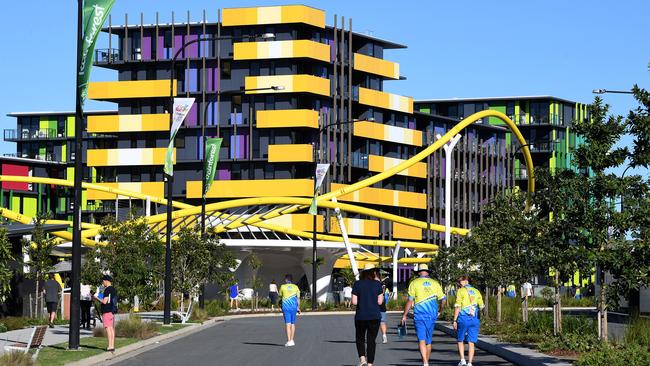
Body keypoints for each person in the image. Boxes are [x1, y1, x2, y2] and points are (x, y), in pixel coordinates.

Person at [401, 264, 446, 366]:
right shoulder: (435, 283)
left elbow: (410, 301)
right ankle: (426, 362)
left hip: (419, 315)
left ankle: (425, 363)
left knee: (421, 340)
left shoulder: (414, 283)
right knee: (428, 341)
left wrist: (404, 314)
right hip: (432, 316)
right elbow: (443, 299)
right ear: (427, 272)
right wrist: (441, 310)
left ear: (419, 272)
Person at [352, 264, 383, 366]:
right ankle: (370, 363)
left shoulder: (357, 284)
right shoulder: (378, 285)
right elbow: (380, 302)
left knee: (360, 338)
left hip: (361, 315)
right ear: (373, 272)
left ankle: (362, 359)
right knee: (371, 340)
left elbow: (354, 302)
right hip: (374, 315)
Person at [453, 275, 484, 366]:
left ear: (465, 281)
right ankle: (470, 362)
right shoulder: (477, 291)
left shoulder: (460, 291)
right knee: (471, 342)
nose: (459, 283)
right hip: (474, 319)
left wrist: (454, 320)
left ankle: (462, 360)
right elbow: (481, 306)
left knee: (460, 339)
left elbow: (458, 306)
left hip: (463, 318)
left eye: (460, 282)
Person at [94, 275, 117, 352]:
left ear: (107, 281)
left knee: (108, 328)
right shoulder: (113, 289)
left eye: (103, 281)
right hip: (112, 311)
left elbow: (104, 301)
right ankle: (112, 345)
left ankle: (110, 346)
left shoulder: (107, 290)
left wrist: (96, 298)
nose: (102, 283)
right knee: (111, 328)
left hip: (107, 310)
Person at [279, 274, 300, 347]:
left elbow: (280, 295)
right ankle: (292, 340)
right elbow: (298, 298)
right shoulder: (296, 287)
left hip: (286, 307)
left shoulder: (282, 287)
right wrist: (298, 307)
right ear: (292, 279)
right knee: (293, 323)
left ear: (286, 280)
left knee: (288, 323)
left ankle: (289, 341)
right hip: (294, 307)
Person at [375, 272, 390, 344]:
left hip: (374, 304)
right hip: (382, 304)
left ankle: (372, 337)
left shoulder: (374, 284)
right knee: (382, 321)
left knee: (373, 321)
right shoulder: (383, 284)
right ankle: (384, 335)